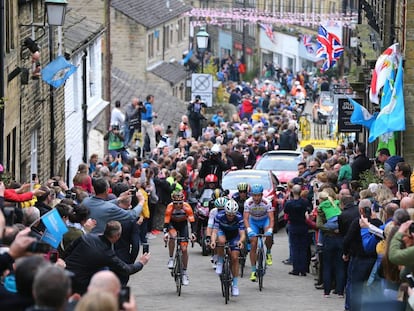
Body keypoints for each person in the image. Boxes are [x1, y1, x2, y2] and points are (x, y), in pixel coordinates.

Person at [64, 220, 150, 295]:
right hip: (80, 283)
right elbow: (126, 269)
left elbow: (68, 250)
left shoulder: (86, 237)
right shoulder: (107, 254)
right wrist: (141, 263)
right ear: (117, 236)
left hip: (65, 272)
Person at [210, 199, 246, 296]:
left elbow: (242, 233)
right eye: (228, 214)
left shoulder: (239, 217)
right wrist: (213, 241)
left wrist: (240, 241)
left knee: (235, 258)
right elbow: (214, 231)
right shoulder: (219, 216)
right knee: (221, 241)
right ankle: (220, 261)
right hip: (223, 232)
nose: (230, 216)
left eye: (232, 214)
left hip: (234, 235)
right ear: (225, 212)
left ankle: (235, 285)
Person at [163, 191, 197, 286]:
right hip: (172, 224)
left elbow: (192, 222)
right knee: (173, 236)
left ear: (183, 201)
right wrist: (165, 233)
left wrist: (193, 233)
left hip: (183, 225)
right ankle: (171, 258)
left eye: (180, 203)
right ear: (172, 202)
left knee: (184, 249)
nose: (178, 205)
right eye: (176, 203)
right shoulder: (170, 207)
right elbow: (166, 222)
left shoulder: (187, 207)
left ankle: (185, 273)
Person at [243, 184, 274, 281]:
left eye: (258, 195)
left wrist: (270, 229)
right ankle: (253, 271)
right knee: (253, 243)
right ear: (252, 195)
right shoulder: (248, 202)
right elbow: (246, 218)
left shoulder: (267, 202)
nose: (256, 198)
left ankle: (268, 252)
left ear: (261, 195)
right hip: (253, 222)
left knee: (269, 235)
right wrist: (249, 229)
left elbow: (271, 218)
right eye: (254, 195)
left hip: (264, 220)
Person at [283, 184, 309, 276]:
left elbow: (285, 211)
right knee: (303, 248)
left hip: (293, 225)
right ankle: (303, 269)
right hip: (303, 225)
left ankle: (296, 268)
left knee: (294, 247)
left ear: (292, 192)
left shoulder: (289, 203)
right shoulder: (305, 202)